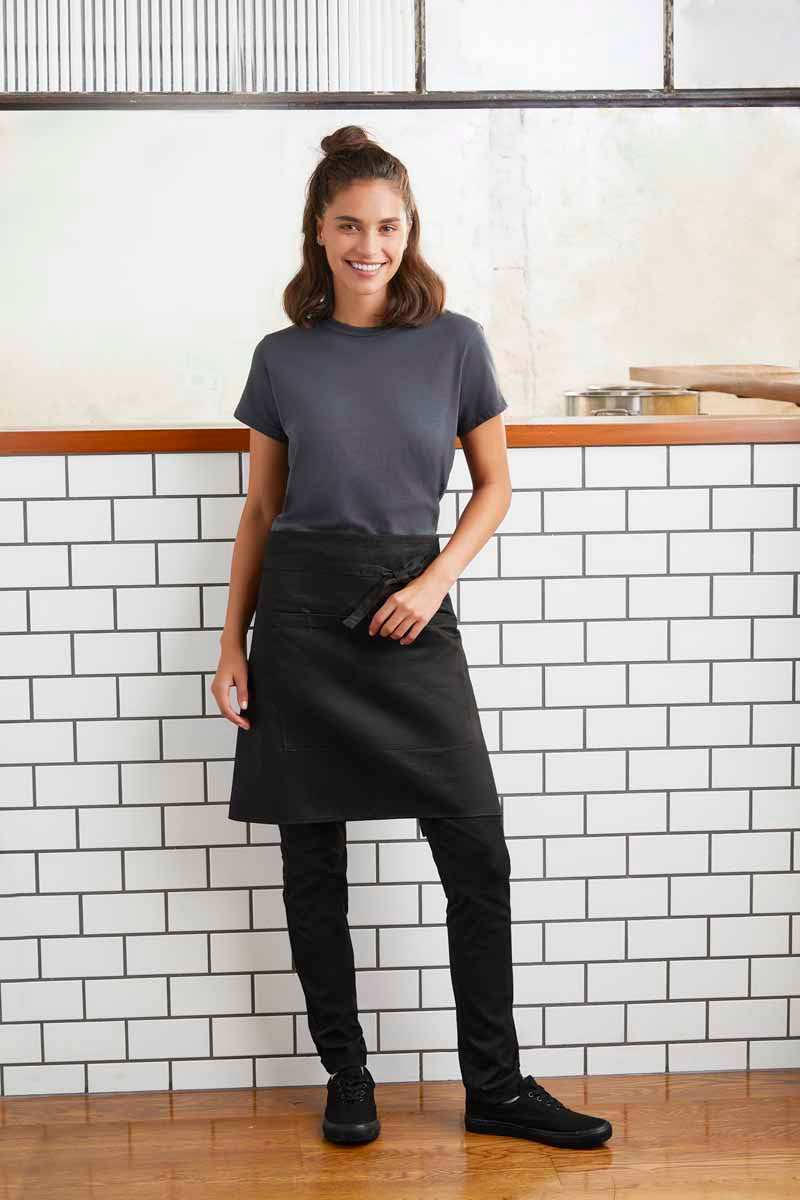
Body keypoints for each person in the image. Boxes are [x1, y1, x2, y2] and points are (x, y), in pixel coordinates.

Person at [212, 124, 612, 1151]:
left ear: (409, 230)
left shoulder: (455, 343)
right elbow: (261, 510)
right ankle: (347, 1078)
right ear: (318, 229)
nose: (370, 245)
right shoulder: (281, 357)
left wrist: (434, 582)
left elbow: (494, 486)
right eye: (350, 225)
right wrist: (232, 644)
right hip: (301, 618)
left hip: (409, 605)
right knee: (313, 867)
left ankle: (496, 1088)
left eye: (387, 226)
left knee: (476, 853)